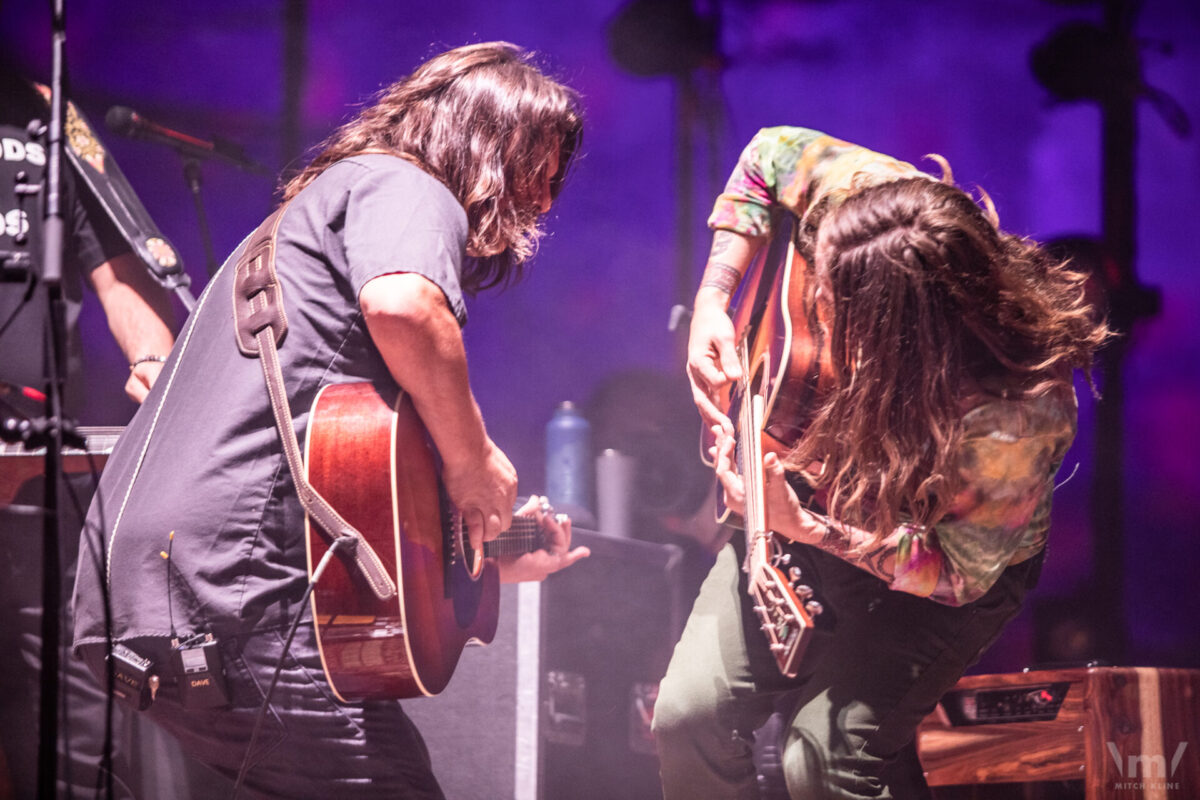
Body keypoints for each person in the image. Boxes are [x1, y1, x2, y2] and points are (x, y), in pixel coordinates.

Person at [70, 42, 588, 799]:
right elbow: (405, 306)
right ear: (489, 141)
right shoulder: (407, 186)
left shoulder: (298, 231)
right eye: (540, 171)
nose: (543, 201)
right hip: (229, 604)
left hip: (138, 599)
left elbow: (338, 472)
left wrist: (488, 552)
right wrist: (475, 461)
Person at [653, 126, 1108, 799]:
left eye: (838, 311)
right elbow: (768, 156)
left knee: (827, 756)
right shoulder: (874, 204)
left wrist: (805, 527)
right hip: (816, 492)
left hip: (936, 560)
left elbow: (955, 571)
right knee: (689, 718)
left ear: (906, 333)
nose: (819, 313)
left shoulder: (1014, 413)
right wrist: (715, 302)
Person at [0, 63, 176, 798]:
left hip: (42, 465)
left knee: (74, 720)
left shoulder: (45, 107)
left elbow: (119, 271)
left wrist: (153, 361)